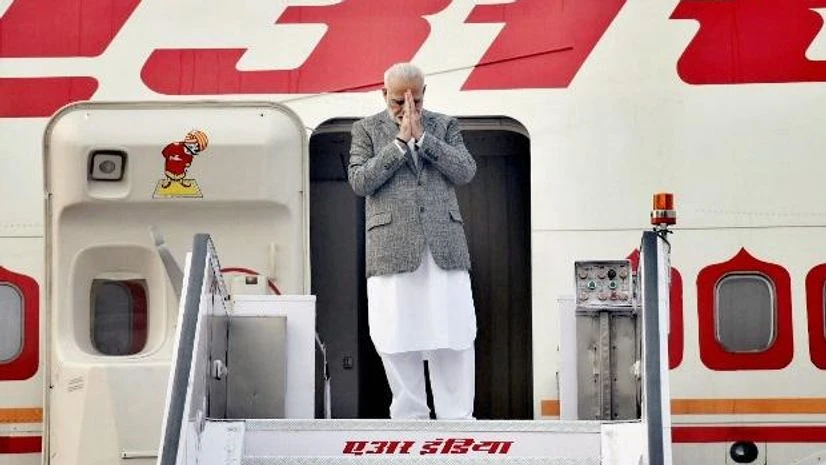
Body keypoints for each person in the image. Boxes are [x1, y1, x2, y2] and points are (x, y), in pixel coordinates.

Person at [348, 62, 477, 420]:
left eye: (415, 102)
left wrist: (424, 139)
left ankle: (458, 419)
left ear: (424, 93)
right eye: (397, 103)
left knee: (453, 332)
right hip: (391, 247)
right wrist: (400, 144)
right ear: (382, 94)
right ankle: (410, 419)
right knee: (395, 332)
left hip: (443, 246)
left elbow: (465, 170)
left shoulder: (444, 125)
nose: (408, 110)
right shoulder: (365, 130)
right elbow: (359, 181)